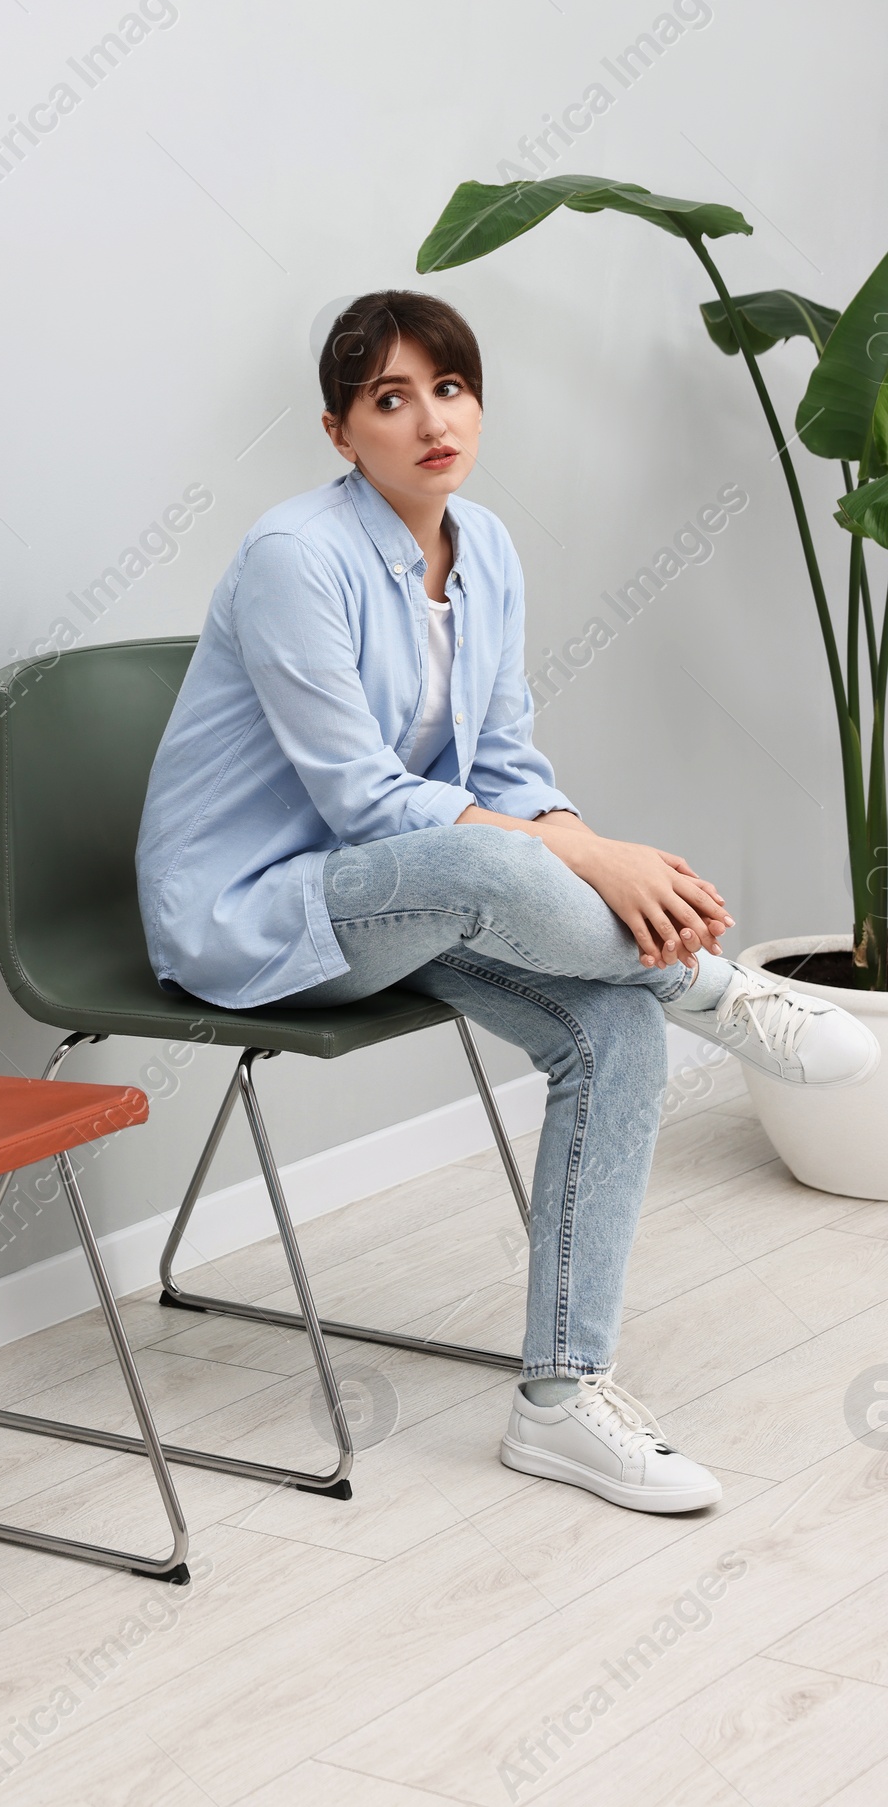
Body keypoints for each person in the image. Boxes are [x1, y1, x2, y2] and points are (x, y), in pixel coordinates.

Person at [136, 288, 877, 1514]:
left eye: (451, 387)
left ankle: (559, 1398)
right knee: (499, 865)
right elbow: (370, 800)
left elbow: (505, 771)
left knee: (615, 1026)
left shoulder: (485, 546)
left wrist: (588, 842)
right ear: (339, 432)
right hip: (262, 913)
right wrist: (590, 860)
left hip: (413, 898)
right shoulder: (292, 558)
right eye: (390, 398)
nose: (431, 417)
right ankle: (714, 985)